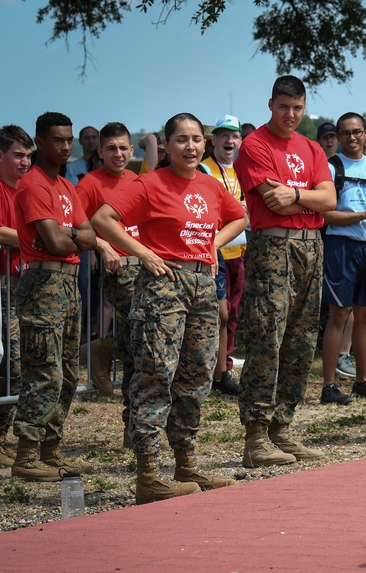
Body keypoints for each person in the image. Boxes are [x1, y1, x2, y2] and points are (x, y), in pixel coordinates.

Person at [92, 112, 247, 503]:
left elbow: (240, 217)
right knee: (156, 375)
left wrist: (212, 246)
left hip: (202, 284)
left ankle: (186, 464)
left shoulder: (211, 186)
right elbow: (102, 219)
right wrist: (142, 252)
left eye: (196, 139)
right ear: (167, 145)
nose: (190, 147)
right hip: (164, 286)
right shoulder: (150, 183)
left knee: (195, 377)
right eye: (181, 140)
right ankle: (147, 474)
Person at [234, 75, 337, 466]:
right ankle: (256, 436)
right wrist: (310, 201)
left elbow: (329, 199)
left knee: (301, 339)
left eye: (297, 108)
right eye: (283, 107)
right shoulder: (254, 145)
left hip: (312, 247)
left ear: (305, 107)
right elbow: (272, 203)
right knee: (267, 336)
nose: (290, 114)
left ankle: (282, 428)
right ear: (270, 104)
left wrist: (297, 195)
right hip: (274, 246)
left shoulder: (311, 148)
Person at [11, 112, 99, 482]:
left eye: (69, 140)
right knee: (44, 370)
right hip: (43, 285)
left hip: (68, 282)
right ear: (39, 143)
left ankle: (50, 450)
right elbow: (56, 241)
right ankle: (26, 455)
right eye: (57, 140)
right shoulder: (33, 185)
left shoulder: (65, 187)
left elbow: (90, 237)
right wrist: (68, 235)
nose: (65, 147)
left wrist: (68, 235)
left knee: (66, 374)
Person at [319, 112, 366, 405]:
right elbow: (324, 215)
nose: (352, 138)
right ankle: (329, 385)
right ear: (338, 137)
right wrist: (361, 216)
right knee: (338, 314)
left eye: (357, 132)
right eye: (346, 133)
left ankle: (364, 380)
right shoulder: (330, 167)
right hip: (341, 246)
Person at [75, 122, 135, 405]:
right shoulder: (89, 184)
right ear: (100, 151)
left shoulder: (137, 180)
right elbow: (73, 226)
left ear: (131, 150)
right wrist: (100, 245)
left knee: (144, 336)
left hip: (145, 266)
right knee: (149, 331)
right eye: (111, 148)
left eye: (123, 147)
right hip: (117, 270)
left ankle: (103, 349)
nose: (118, 154)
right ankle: (103, 349)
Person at [0, 125, 32, 468]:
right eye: (18, 155)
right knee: (9, 364)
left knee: (17, 365)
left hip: (23, 282)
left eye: (28, 156)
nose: (25, 162)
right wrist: (37, 236)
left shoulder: (25, 190)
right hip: (0, 285)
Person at [202, 114, 247, 395]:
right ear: (214, 140)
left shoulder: (242, 169)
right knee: (219, 313)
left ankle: (224, 369)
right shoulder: (205, 170)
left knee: (231, 314)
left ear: (240, 140)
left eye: (234, 136)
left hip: (238, 251)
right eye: (224, 135)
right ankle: (214, 371)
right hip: (213, 251)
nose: (229, 141)